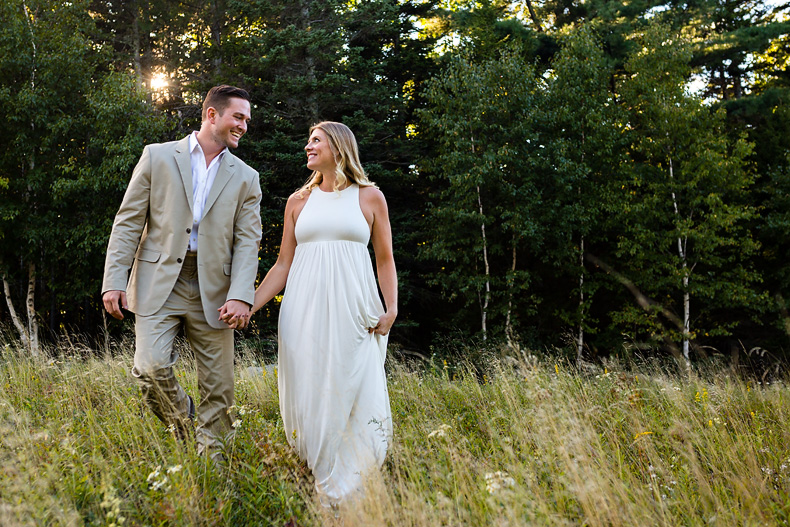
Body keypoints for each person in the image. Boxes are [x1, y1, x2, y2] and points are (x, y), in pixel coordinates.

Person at [232, 121, 396, 503]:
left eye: (315, 141)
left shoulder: (370, 197)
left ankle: (351, 492)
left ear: (338, 148)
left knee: (355, 393)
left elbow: (385, 261)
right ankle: (322, 484)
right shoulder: (297, 202)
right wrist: (250, 306)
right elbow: (282, 266)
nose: (307, 146)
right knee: (310, 394)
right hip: (303, 313)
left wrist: (391, 309)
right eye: (308, 140)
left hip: (356, 315)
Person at [101, 85, 262, 460]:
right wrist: (114, 280)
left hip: (217, 290)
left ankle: (212, 471)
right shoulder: (157, 157)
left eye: (247, 120)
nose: (244, 125)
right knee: (150, 367)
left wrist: (241, 294)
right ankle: (182, 420)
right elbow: (127, 222)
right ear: (212, 115)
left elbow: (248, 241)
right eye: (238, 117)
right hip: (159, 281)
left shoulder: (246, 178)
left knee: (219, 388)